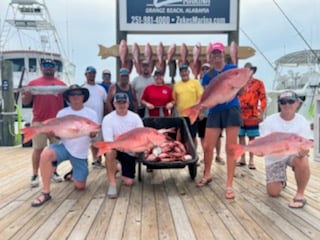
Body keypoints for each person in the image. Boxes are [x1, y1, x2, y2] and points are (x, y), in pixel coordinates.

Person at [31, 84, 99, 207]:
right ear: (68, 97)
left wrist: (93, 133)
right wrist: (53, 133)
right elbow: (58, 136)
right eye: (72, 94)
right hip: (64, 148)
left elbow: (93, 134)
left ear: (83, 96)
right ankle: (45, 192)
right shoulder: (62, 112)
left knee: (80, 186)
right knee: (46, 154)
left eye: (79, 93)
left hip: (80, 154)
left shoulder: (91, 113)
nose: (76, 96)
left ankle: (73, 172)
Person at [197, 42, 241, 200]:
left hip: (232, 109)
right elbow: (207, 95)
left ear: (224, 54)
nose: (217, 56)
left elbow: (240, 87)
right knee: (208, 146)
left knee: (231, 148)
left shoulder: (232, 69)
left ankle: (229, 185)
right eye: (214, 54)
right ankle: (207, 174)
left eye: (219, 53)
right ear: (210, 56)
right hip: (215, 111)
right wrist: (201, 108)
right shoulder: (207, 75)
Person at [260, 90, 312, 208]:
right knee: (273, 193)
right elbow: (263, 143)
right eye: (283, 102)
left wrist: (305, 151)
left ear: (297, 103)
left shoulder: (302, 121)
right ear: (279, 104)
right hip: (274, 157)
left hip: (292, 154)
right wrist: (260, 151)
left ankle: (300, 194)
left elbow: (305, 146)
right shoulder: (269, 121)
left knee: (302, 160)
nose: (287, 104)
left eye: (291, 101)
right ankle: (281, 181)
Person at [21, 59, 65, 187]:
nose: (48, 68)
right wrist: (26, 94)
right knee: (38, 149)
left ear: (55, 68)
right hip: (39, 121)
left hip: (57, 122)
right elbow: (25, 102)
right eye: (45, 65)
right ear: (41, 68)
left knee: (55, 150)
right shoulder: (33, 83)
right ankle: (35, 174)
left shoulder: (61, 85)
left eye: (51, 65)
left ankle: (54, 172)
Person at [102, 92, 143, 198]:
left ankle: (117, 167)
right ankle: (112, 183)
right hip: (116, 148)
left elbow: (140, 136)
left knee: (128, 182)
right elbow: (108, 141)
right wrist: (120, 145)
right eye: (118, 102)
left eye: (124, 102)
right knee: (109, 151)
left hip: (130, 150)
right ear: (114, 104)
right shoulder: (107, 118)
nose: (121, 105)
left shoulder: (135, 117)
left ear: (128, 104)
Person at [236, 62, 267, 169]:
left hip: (253, 114)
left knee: (252, 138)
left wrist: (261, 112)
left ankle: (251, 160)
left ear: (253, 71)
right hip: (239, 114)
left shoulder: (259, 83)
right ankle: (242, 158)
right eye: (246, 70)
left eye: (250, 70)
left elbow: (263, 98)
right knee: (240, 136)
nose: (248, 72)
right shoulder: (239, 82)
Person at [198, 63, 224, 165]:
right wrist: (199, 112)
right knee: (202, 136)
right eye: (203, 69)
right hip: (203, 114)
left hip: (215, 113)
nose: (205, 70)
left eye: (207, 69)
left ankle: (218, 155)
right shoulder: (198, 83)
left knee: (218, 136)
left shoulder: (217, 82)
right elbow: (197, 100)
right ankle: (205, 156)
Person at [82, 66, 107, 168]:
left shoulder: (101, 89)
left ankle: (97, 160)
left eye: (93, 73)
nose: (91, 75)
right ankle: (84, 161)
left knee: (98, 142)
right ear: (86, 75)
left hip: (99, 120)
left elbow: (105, 103)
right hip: (85, 121)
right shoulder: (83, 88)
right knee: (85, 143)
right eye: (89, 73)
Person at [172, 64, 203, 147]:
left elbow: (200, 98)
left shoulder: (196, 82)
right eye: (182, 72)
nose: (184, 73)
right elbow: (174, 100)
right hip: (181, 115)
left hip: (193, 115)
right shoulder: (176, 85)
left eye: (185, 71)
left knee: (193, 136)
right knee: (182, 136)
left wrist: (200, 112)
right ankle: (185, 154)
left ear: (189, 72)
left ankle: (194, 154)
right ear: (179, 74)